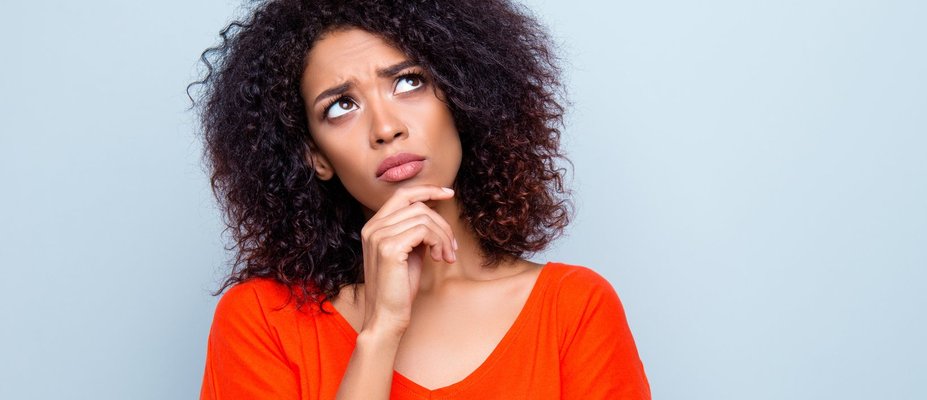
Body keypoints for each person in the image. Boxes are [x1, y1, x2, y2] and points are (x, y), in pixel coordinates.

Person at [189, 0, 652, 398]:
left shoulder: (574, 309)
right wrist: (380, 333)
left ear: (463, 97)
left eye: (408, 82)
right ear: (317, 157)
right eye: (340, 106)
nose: (386, 127)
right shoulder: (262, 322)